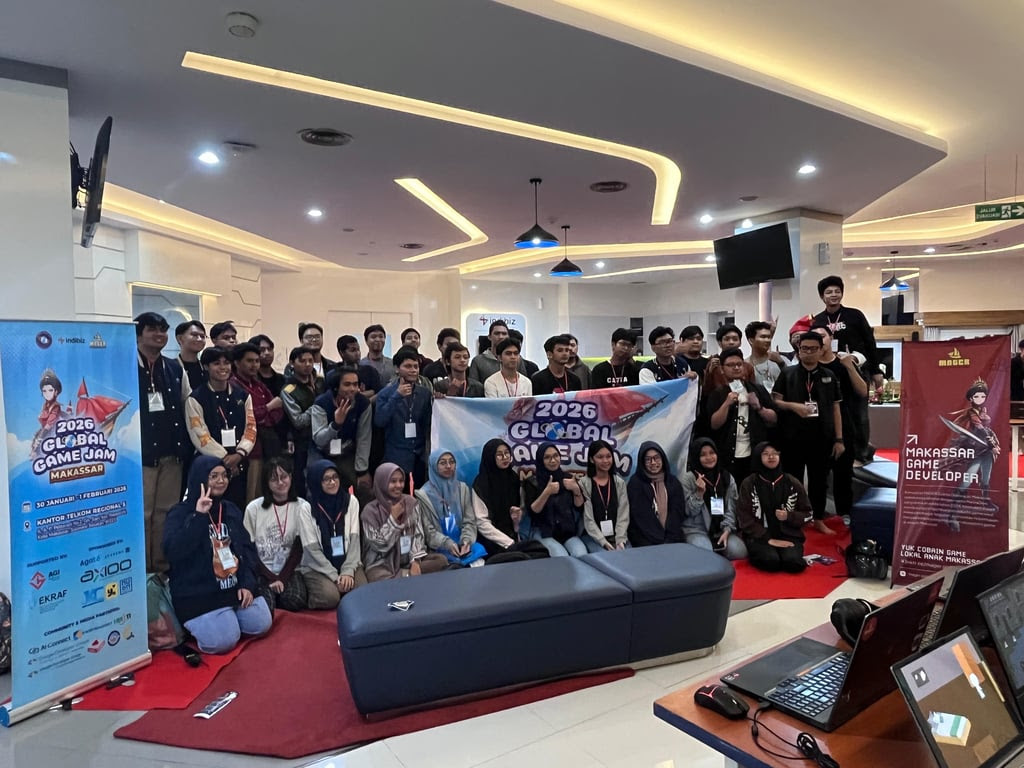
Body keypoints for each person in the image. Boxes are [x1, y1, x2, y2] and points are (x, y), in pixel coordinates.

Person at [163, 456, 272, 654]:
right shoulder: (180, 513)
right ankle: (213, 622)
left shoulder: (230, 509)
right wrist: (198, 516)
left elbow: (246, 549)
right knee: (224, 641)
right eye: (213, 476)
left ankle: (227, 618)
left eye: (224, 475)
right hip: (199, 592)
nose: (221, 481)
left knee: (261, 624)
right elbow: (173, 552)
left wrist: (247, 584)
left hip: (233, 586)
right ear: (199, 479)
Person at [136, 311, 193, 574]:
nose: (159, 335)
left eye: (163, 330)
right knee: (143, 513)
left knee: (167, 512)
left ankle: (161, 567)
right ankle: (143, 569)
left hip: (173, 453)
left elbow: (187, 405)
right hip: (142, 455)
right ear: (139, 334)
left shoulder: (174, 367)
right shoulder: (125, 365)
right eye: (152, 329)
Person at [772, 332, 844, 535]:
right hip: (792, 437)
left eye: (813, 349)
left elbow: (836, 408)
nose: (809, 352)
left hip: (822, 438)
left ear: (821, 350)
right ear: (799, 350)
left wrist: (839, 439)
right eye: (805, 348)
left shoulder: (829, 375)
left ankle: (818, 518)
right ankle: (792, 519)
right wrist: (793, 406)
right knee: (791, 480)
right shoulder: (788, 373)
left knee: (819, 481)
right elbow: (775, 401)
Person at [812, 276, 882, 463]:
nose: (833, 295)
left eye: (837, 291)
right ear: (822, 296)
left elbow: (870, 342)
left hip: (856, 368)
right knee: (837, 411)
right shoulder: (818, 320)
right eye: (829, 292)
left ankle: (861, 453)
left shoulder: (854, 315)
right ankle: (853, 447)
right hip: (831, 370)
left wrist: (876, 370)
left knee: (859, 412)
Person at [186, 346, 256, 509]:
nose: (223, 367)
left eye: (226, 363)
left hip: (239, 462)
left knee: (237, 507)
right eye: (217, 363)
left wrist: (239, 454)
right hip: (209, 466)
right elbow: (200, 435)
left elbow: (251, 428)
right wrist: (225, 459)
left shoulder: (243, 395)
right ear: (206, 366)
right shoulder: (196, 398)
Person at [243, 458, 317, 611]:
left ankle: (279, 596)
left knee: (295, 599)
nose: (280, 482)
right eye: (273, 479)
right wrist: (271, 578)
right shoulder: (253, 508)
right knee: (265, 606)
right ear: (267, 483)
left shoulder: (302, 506)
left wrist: (281, 578)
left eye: (284, 477)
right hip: (263, 570)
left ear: (291, 477)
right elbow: (249, 549)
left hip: (290, 569)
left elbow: (299, 549)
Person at [813, 323, 867, 525]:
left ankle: (845, 513)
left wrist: (849, 366)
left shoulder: (843, 363)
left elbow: (863, 391)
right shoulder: (808, 367)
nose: (820, 340)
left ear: (831, 338)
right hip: (817, 428)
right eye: (815, 337)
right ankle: (817, 515)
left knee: (843, 474)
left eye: (823, 336)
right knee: (818, 476)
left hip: (845, 426)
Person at [360, 463, 448, 581]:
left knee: (441, 561)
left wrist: (415, 561)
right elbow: (379, 545)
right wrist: (393, 519)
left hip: (408, 560)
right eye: (393, 481)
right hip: (382, 564)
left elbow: (418, 535)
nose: (398, 485)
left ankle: (405, 577)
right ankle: (407, 577)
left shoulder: (411, 502)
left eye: (401, 481)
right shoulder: (370, 511)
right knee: (376, 576)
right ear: (382, 482)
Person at [735, 442, 811, 573]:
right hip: (759, 536)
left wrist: (789, 516)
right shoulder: (749, 483)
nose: (771, 457)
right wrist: (768, 539)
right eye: (766, 454)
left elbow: (808, 513)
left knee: (794, 563)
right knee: (770, 561)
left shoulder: (792, 482)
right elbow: (743, 517)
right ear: (758, 457)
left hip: (788, 534)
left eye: (775, 453)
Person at [706, 348, 777, 483]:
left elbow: (774, 419)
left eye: (739, 364)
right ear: (722, 369)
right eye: (731, 365)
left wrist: (759, 408)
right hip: (728, 454)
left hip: (754, 452)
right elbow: (714, 425)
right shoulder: (717, 393)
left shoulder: (757, 389)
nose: (736, 368)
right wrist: (726, 404)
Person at [471, 439, 549, 558]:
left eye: (507, 453)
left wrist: (516, 518)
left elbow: (518, 518)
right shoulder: (481, 484)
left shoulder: (513, 478)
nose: (505, 457)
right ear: (490, 457)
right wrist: (508, 542)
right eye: (499, 455)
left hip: (513, 537)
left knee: (539, 553)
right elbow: (482, 523)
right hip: (491, 540)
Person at [305, 460, 367, 606]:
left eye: (335, 477)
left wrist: (347, 571)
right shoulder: (306, 507)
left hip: (348, 562)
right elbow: (312, 550)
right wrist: (334, 576)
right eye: (326, 479)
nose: (332, 482)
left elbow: (354, 542)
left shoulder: (351, 501)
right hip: (318, 567)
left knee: (363, 592)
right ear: (316, 481)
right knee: (330, 597)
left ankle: (343, 587)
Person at [230, 342, 285, 501]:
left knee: (265, 495)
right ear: (237, 363)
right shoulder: (233, 386)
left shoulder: (259, 385)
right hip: (248, 450)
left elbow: (278, 411)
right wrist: (267, 408)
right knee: (251, 497)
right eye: (249, 361)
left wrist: (263, 417)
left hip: (267, 446)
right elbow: (245, 416)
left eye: (256, 361)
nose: (254, 365)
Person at [415, 449, 487, 566]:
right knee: (445, 563)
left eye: (452, 462)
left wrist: (466, 541)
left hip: (462, 543)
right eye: (443, 463)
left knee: (478, 554)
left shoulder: (462, 489)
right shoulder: (423, 495)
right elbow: (428, 531)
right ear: (434, 466)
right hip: (439, 547)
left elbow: (469, 521)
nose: (448, 466)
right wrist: (447, 544)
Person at [947, 378, 1001, 528]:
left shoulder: (983, 411)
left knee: (986, 479)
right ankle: (952, 514)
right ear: (971, 398)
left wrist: (993, 443)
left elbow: (987, 429)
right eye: (977, 396)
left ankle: (986, 502)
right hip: (976, 449)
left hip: (987, 450)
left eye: (983, 396)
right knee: (967, 480)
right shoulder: (972, 413)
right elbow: (980, 429)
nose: (980, 398)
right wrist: (992, 444)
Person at [681, 438, 748, 560]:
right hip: (697, 530)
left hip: (721, 529)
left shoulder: (726, 477)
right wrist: (699, 493)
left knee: (739, 552)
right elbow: (689, 512)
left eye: (712, 453)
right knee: (706, 555)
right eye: (703, 455)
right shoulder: (688, 479)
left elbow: (732, 509)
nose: (709, 457)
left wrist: (727, 530)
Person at [374, 346, 432, 486]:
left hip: (419, 456)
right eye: (408, 366)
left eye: (416, 366)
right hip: (395, 456)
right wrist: (397, 396)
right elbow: (380, 421)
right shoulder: (385, 394)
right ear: (397, 369)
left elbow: (429, 423)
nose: (413, 370)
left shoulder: (424, 393)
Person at [310, 366, 373, 493]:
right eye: (347, 384)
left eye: (355, 384)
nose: (352, 389)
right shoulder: (321, 403)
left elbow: (364, 438)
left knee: (363, 488)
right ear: (336, 387)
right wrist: (336, 425)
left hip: (348, 451)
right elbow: (319, 440)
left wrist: (362, 471)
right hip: (322, 452)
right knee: (318, 484)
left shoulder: (363, 404)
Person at [523, 442, 586, 557]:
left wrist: (576, 490)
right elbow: (533, 511)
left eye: (556, 456)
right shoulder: (532, 482)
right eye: (547, 457)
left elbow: (579, 506)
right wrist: (547, 492)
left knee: (581, 554)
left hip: (567, 532)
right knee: (561, 557)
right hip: (544, 533)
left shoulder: (568, 478)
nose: (553, 460)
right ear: (541, 460)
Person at [280, 346, 324, 498]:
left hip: (325, 437)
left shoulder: (320, 382)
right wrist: (318, 405)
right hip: (303, 441)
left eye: (310, 361)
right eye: (302, 361)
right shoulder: (289, 390)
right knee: (304, 480)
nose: (307, 364)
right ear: (292, 363)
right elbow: (298, 421)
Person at [627, 441, 686, 547]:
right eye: (648, 459)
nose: (653, 463)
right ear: (642, 462)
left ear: (662, 459)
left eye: (656, 458)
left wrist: (668, 539)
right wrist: (660, 541)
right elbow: (641, 518)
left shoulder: (672, 482)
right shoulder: (636, 483)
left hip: (672, 538)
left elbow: (677, 513)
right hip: (644, 539)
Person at [578, 440, 629, 551]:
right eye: (600, 457)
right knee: (604, 557)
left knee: (627, 555)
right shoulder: (584, 484)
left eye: (608, 456)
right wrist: (603, 542)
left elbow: (623, 515)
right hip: (592, 537)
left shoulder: (619, 482)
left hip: (617, 536)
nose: (605, 461)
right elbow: (588, 519)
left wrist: (620, 540)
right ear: (592, 459)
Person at [336, 334, 382, 399]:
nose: (357, 353)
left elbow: (379, 392)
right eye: (353, 350)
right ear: (342, 353)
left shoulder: (370, 371)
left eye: (358, 350)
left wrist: (361, 396)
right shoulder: (335, 372)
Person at [468, 320, 510, 384]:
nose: (501, 337)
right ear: (489, 337)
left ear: (508, 337)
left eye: (504, 334)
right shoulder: (478, 361)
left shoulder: (516, 359)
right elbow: (473, 386)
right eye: (497, 333)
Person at [745, 321, 782, 390]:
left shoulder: (780, 360)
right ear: (751, 340)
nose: (767, 340)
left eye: (769, 337)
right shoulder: (745, 365)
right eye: (763, 337)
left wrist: (782, 364)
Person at [175, 320, 208, 389]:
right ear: (180, 338)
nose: (199, 339)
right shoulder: (170, 367)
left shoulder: (207, 367)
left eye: (202, 336)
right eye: (194, 335)